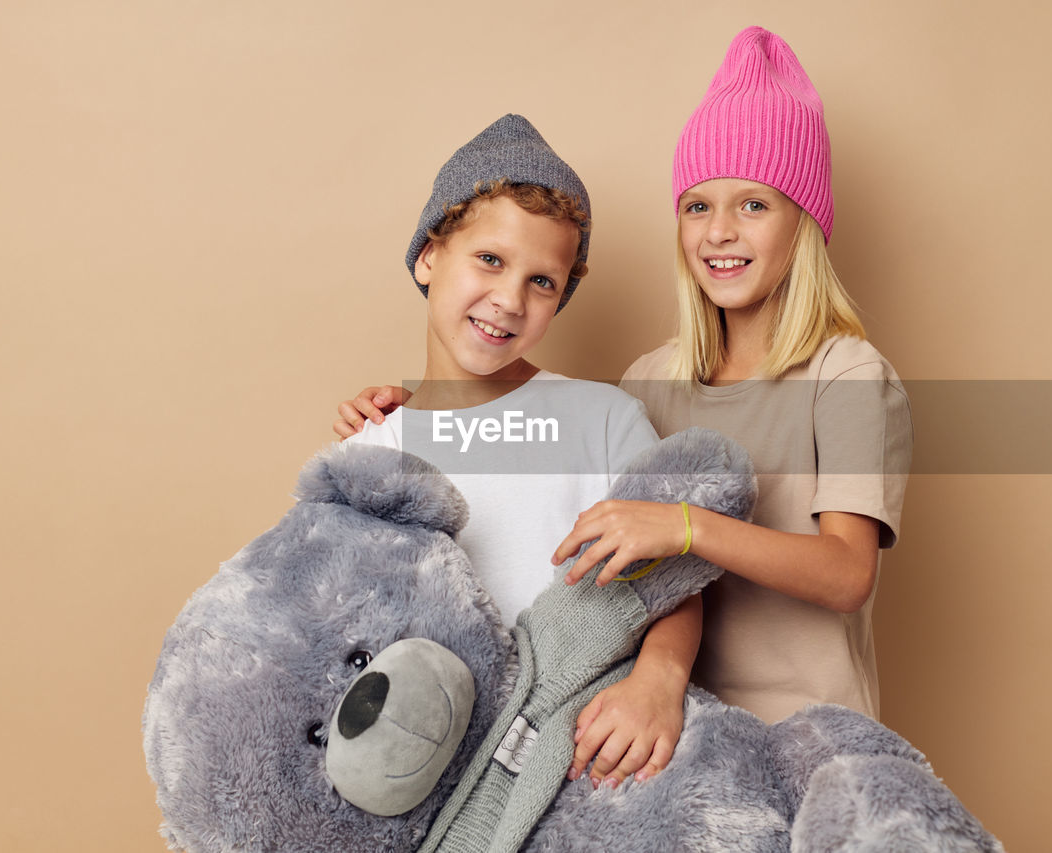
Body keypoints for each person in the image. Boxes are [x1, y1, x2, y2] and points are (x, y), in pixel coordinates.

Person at [336, 26, 912, 790]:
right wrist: (425, 407)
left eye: (754, 204)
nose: (721, 231)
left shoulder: (846, 374)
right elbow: (537, 424)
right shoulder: (648, 381)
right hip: (659, 743)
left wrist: (685, 529)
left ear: (803, 221)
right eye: (698, 204)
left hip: (802, 734)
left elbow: (847, 575)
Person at [340, 114, 703, 791]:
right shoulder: (375, 444)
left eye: (543, 281)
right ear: (428, 255)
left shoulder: (603, 418)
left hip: (583, 765)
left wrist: (659, 681)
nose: (509, 299)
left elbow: (673, 576)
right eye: (490, 259)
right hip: (437, 777)